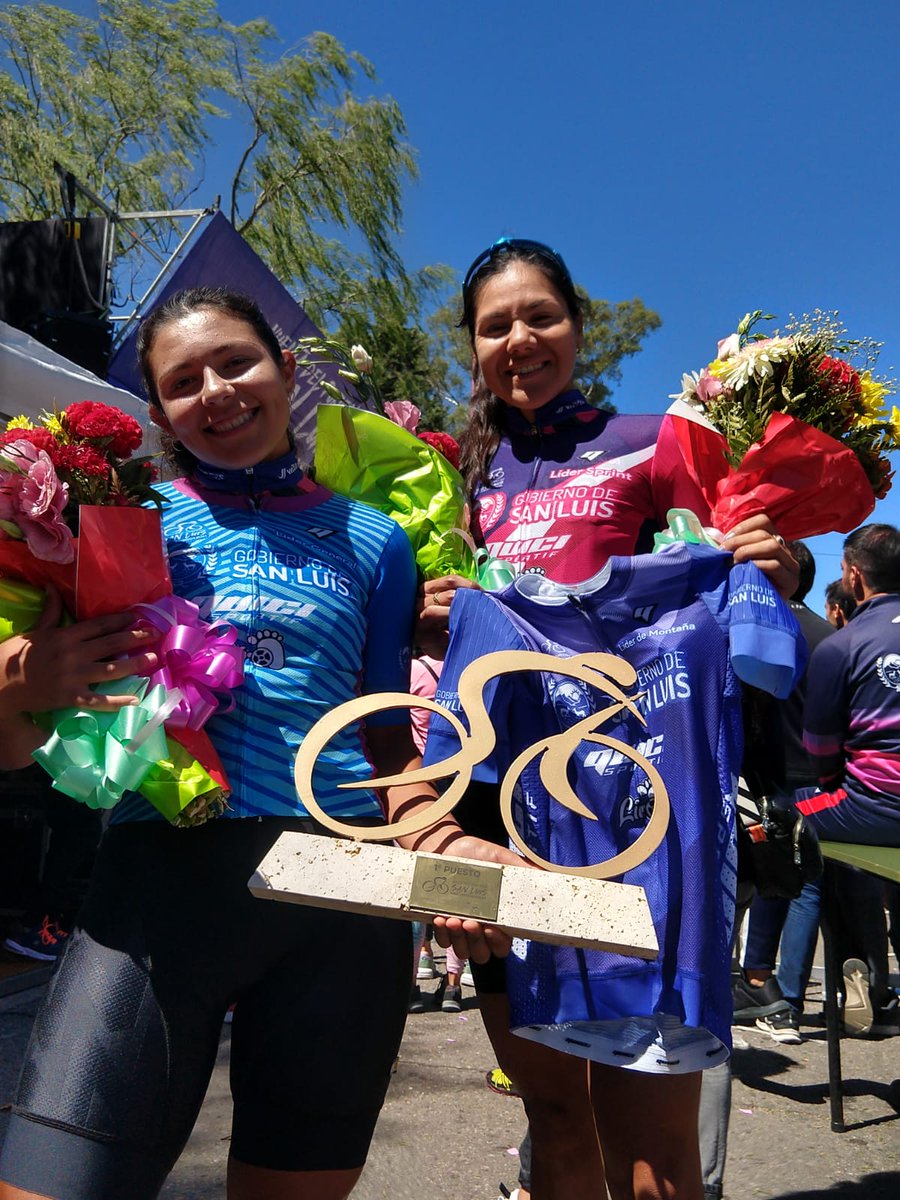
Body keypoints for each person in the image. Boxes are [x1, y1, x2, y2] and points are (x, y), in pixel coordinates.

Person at [0, 287, 519, 1200]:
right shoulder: (117, 521)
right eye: (183, 380)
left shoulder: (377, 540)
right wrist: (22, 679)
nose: (217, 391)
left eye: (236, 362)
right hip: (156, 892)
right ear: (158, 412)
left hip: (342, 904)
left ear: (284, 368)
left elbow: (386, 733)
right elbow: (15, 747)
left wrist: (442, 848)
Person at [418, 238, 799, 1200]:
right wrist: (434, 603)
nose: (519, 338)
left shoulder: (656, 440)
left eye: (539, 315)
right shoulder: (458, 473)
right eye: (494, 324)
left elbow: (731, 568)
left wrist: (778, 561)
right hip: (501, 804)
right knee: (553, 1113)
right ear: (471, 347)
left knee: (649, 1130)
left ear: (577, 327)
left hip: (633, 816)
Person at [795, 523, 900, 1034]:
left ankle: (772, 983)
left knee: (774, 822)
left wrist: (833, 784)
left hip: (875, 807)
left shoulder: (844, 644)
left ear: (854, 576)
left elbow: (820, 748)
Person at [732, 540, 833, 1044]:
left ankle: (756, 983)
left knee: (761, 877)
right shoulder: (828, 636)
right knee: (803, 885)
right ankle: (786, 997)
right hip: (816, 776)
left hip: (762, 776)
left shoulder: (749, 627)